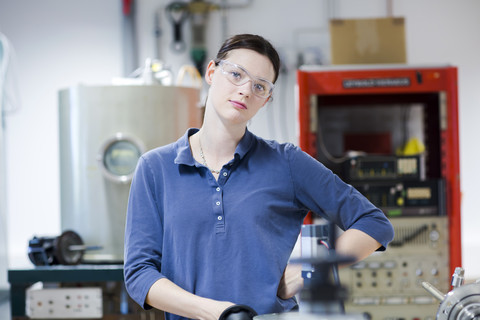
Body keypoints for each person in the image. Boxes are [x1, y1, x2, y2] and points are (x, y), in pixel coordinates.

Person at [124, 34, 394, 320]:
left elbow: (375, 224)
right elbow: (139, 274)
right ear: (212, 72)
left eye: (259, 86)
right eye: (236, 75)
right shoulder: (155, 168)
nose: (244, 91)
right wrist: (217, 312)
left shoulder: (286, 162)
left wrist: (310, 269)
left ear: (266, 99)